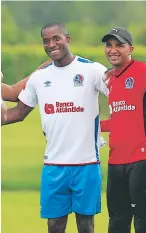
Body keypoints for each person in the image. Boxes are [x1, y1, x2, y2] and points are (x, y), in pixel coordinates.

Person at [3, 22, 109, 233]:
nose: (51, 44)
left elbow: (122, 98)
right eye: (46, 41)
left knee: (85, 225)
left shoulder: (92, 70)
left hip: (86, 163)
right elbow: (17, 113)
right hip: (53, 165)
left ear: (67, 39)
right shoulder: (39, 78)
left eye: (56, 38)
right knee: (54, 225)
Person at [100, 27, 146, 233]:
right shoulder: (111, 79)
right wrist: (88, 125)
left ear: (131, 48)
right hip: (116, 162)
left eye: (119, 45)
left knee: (144, 225)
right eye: (109, 45)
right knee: (117, 224)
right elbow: (121, 120)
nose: (113, 50)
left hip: (143, 162)